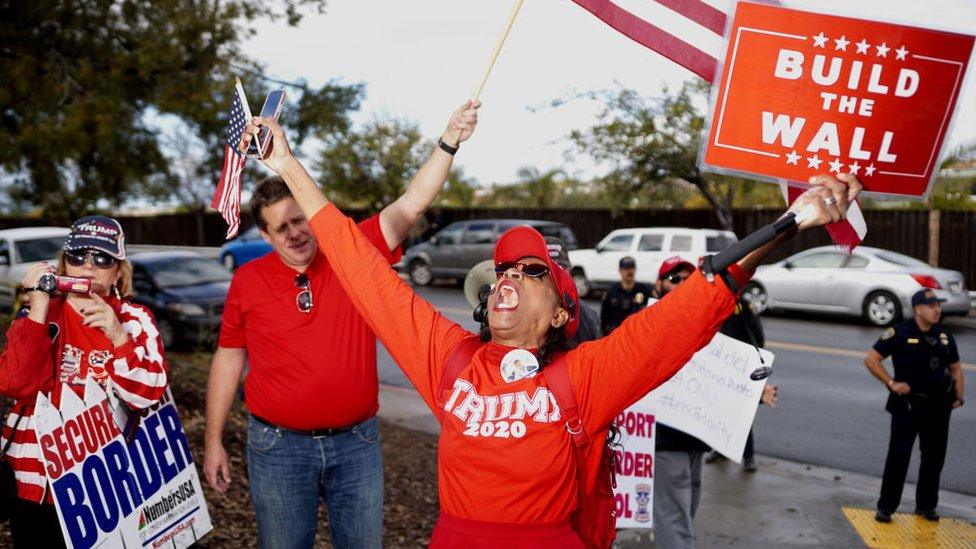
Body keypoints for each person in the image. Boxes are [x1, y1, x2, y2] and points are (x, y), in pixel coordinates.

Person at [237, 113, 861, 547]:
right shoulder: (449, 360)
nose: (508, 274)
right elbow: (356, 263)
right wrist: (289, 164)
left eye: (530, 269)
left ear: (562, 313)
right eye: (504, 268)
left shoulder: (583, 377)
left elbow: (690, 311)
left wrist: (791, 221)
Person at [203, 100, 480, 549]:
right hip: (277, 448)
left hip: (356, 445)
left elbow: (411, 204)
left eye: (300, 220)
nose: (294, 233)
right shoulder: (248, 280)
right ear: (264, 235)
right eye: (280, 228)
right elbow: (229, 357)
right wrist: (214, 440)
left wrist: (449, 140)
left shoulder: (354, 252)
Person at [0, 216, 168, 549]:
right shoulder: (40, 313)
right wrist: (39, 306)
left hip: (106, 484)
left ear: (118, 271)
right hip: (37, 480)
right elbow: (16, 385)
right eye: (77, 256)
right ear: (64, 264)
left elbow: (147, 393)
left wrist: (118, 336)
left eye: (102, 258)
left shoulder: (135, 319)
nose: (87, 265)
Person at [865, 288, 965, 523]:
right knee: (898, 457)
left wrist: (959, 396)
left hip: (939, 406)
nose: (937, 310)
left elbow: (956, 367)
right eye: (931, 307)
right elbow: (871, 359)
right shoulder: (899, 332)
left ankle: (926, 506)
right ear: (918, 309)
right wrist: (891, 383)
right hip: (908, 406)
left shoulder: (944, 335)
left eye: (938, 306)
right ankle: (886, 507)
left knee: (934, 458)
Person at [600, 256, 653, 335]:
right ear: (620, 271)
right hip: (617, 335)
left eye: (631, 268)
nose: (629, 271)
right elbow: (604, 319)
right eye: (626, 269)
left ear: (635, 269)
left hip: (638, 334)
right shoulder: (611, 292)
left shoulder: (644, 290)